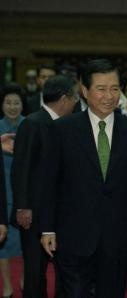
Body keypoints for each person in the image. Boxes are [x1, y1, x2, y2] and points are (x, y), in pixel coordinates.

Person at [39, 59, 127, 298]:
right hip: (72, 233)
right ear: (84, 90)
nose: (109, 96)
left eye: (114, 89)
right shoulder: (61, 130)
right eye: (101, 89)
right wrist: (47, 228)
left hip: (116, 235)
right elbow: (48, 182)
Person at [12, 75, 79, 298]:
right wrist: (23, 206)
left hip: (62, 211)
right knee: (35, 270)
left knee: (64, 269)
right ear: (63, 99)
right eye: (75, 97)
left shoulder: (69, 125)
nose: (76, 103)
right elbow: (21, 168)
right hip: (34, 212)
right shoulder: (33, 122)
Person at [0, 83, 25, 298]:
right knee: (3, 241)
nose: (12, 107)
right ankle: (7, 286)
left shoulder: (30, 125)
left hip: (25, 189)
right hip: (2, 190)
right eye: (8, 102)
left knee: (28, 239)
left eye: (16, 102)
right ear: (2, 105)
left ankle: (26, 279)